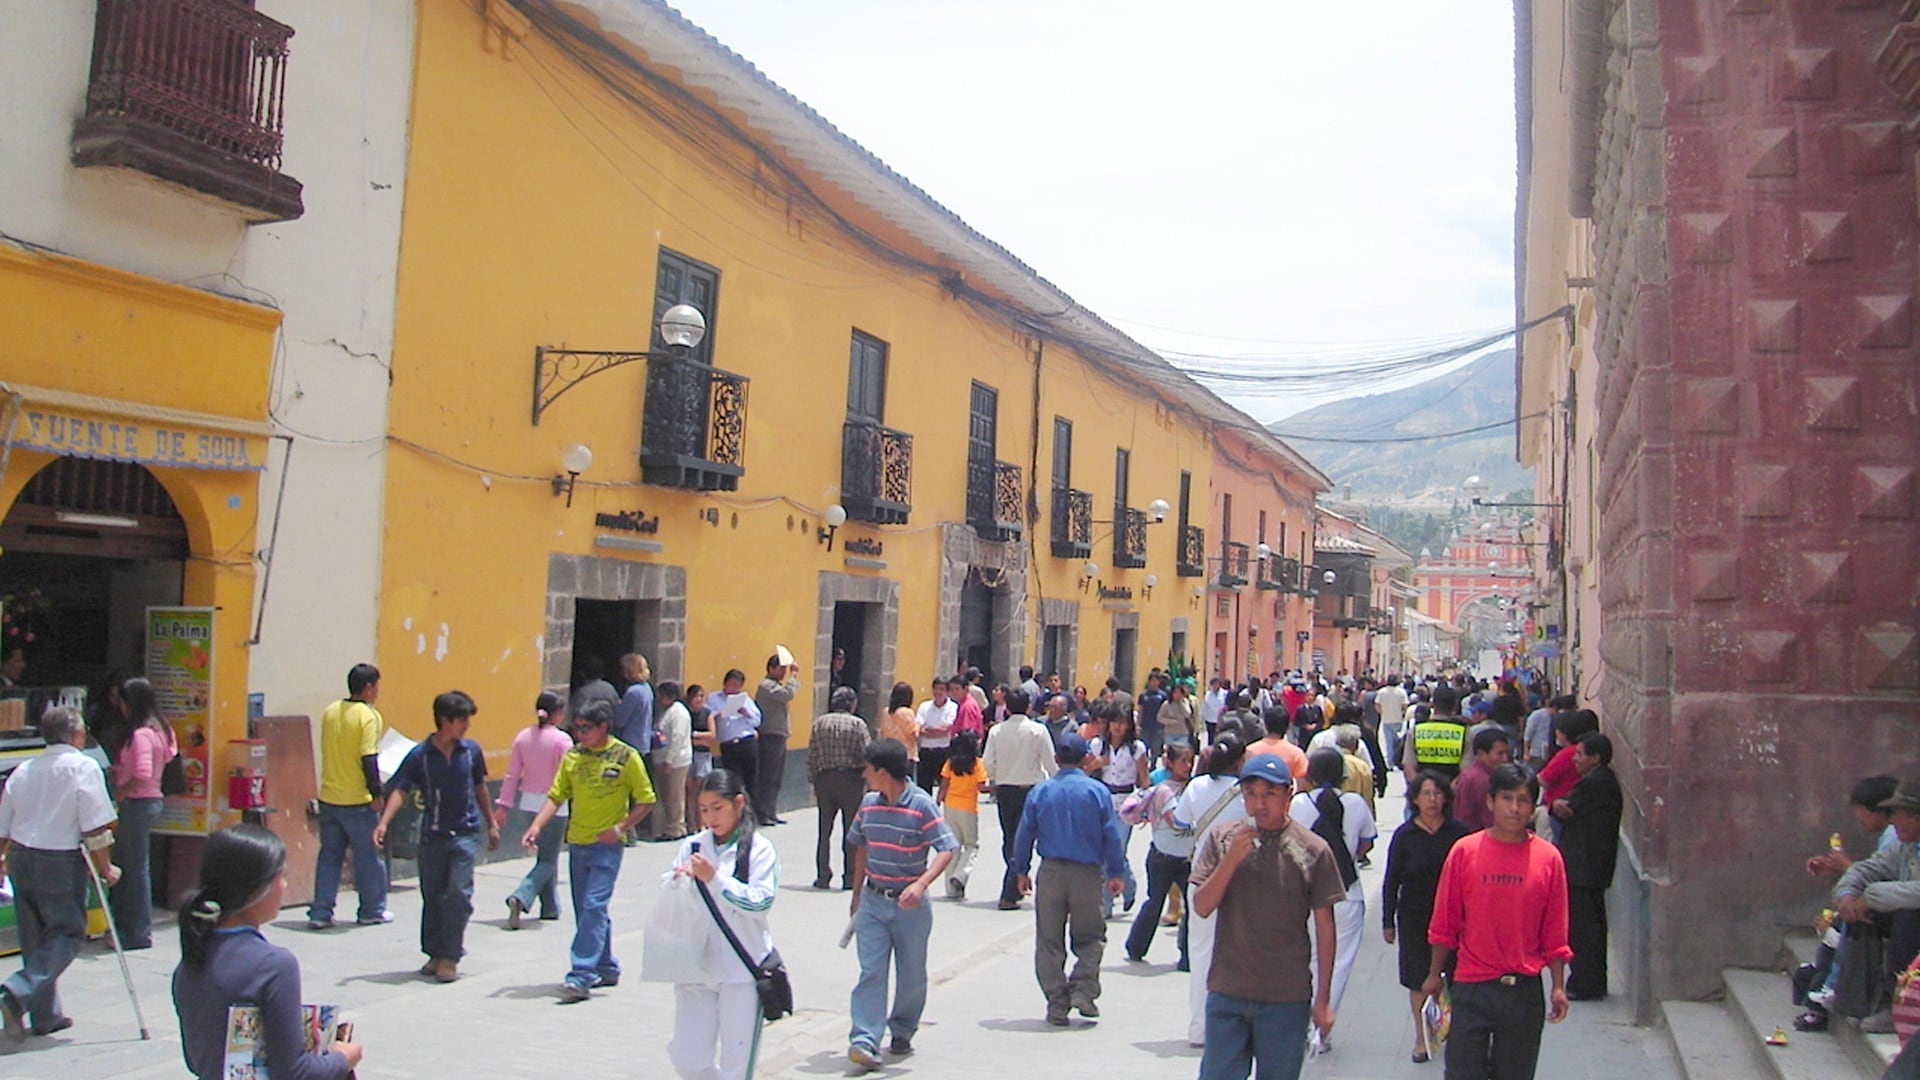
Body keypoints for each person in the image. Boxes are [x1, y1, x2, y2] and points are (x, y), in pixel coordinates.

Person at [1188, 753, 1345, 1080]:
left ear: (1289, 795)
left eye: (1270, 794)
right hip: (1228, 991)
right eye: (1251, 794)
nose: (1260, 804)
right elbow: (1202, 906)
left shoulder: (1312, 849)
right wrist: (1231, 860)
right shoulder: (1222, 839)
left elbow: (1326, 928)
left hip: (1285, 998)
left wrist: (1324, 999)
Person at [173, 825, 361, 1078]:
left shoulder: (192, 959)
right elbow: (295, 1073)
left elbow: (197, 1061)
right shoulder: (273, 965)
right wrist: (342, 1057)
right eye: (280, 876)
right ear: (257, 888)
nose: (284, 884)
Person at [1424, 764, 1573, 1079]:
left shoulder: (1549, 859)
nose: (1515, 808)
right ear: (1490, 801)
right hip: (1471, 986)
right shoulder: (1465, 852)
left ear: (1533, 807)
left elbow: (1555, 930)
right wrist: (1434, 975)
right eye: (1507, 798)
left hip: (1523, 991)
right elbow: (1445, 922)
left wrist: (1558, 986)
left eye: (1523, 800)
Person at [523, 699, 656, 1002]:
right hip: (578, 844)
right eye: (577, 728)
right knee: (587, 910)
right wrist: (536, 826)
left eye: (586, 728)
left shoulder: (626, 756)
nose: (580, 734)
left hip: (607, 846)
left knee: (594, 906)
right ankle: (606, 966)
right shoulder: (573, 757)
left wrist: (621, 828)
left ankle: (581, 975)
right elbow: (556, 796)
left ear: (603, 727)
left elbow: (646, 799)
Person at [0, 707, 120, 1041]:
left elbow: (2, 825)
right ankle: (16, 991)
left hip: (22, 857)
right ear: (76, 735)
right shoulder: (84, 767)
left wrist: (2, 860)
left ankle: (45, 1016)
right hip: (59, 858)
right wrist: (106, 866)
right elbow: (95, 826)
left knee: (35, 936)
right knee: (67, 933)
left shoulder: (24, 770)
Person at [845, 739, 958, 1070]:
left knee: (911, 974)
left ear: (882, 772)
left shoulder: (922, 805)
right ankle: (864, 1038)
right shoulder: (869, 804)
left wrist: (921, 884)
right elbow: (861, 845)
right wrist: (856, 895)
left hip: (911, 907)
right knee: (871, 971)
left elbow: (946, 848)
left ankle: (903, 1028)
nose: (864, 776)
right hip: (874, 900)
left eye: (867, 770)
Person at [374, 690, 498, 982]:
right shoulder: (421, 756)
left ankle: (450, 957)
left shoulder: (471, 751)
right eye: (462, 720)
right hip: (433, 836)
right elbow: (401, 789)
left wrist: (491, 823)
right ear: (445, 720)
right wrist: (383, 823)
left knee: (458, 895)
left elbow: (479, 787)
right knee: (433, 896)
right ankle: (434, 953)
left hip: (465, 834)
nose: (467, 725)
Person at [1008, 732, 1128, 1025]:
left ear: (1057, 759)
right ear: (1086, 757)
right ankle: (1084, 990)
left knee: (1049, 941)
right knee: (1091, 937)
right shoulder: (1097, 791)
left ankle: (1056, 1002)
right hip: (1087, 874)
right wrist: (1116, 871)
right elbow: (1111, 834)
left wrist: (1020, 870)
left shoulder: (1041, 791)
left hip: (1051, 872)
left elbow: (1024, 833)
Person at [667, 769, 779, 1080]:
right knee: (687, 1058)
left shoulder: (759, 849)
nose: (710, 817)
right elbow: (675, 902)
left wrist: (715, 880)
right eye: (703, 809)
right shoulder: (692, 846)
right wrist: (677, 883)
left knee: (736, 1064)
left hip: (740, 971)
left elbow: (760, 903)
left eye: (718, 807)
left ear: (738, 803)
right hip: (696, 967)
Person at [1382, 770, 1471, 1063]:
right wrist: (1387, 919)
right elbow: (1392, 879)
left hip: (1454, 917)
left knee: (1455, 976)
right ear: (1415, 799)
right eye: (1426, 794)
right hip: (1414, 917)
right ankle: (1421, 1039)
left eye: (1437, 794)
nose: (1432, 800)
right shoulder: (1405, 835)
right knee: (1418, 978)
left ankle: (1453, 1032)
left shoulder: (1458, 833)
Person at [1288, 748, 1375, 1037]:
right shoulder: (1356, 803)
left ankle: (1302, 1023)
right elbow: (1366, 844)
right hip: (1346, 892)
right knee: (1339, 965)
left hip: (1306, 894)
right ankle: (1321, 1029)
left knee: (1310, 959)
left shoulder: (1299, 804)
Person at [1175, 726, 1253, 1046]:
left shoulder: (1195, 787)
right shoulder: (1248, 792)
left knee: (1202, 952)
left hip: (1202, 877)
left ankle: (1199, 1029)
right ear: (1239, 761)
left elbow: (1181, 822)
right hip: (1240, 879)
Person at [308, 662, 389, 930]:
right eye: (376, 686)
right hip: (358, 800)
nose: (377, 691)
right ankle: (371, 909)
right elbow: (369, 757)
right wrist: (376, 792)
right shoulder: (368, 716)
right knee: (367, 857)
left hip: (330, 796)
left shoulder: (331, 711)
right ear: (368, 688)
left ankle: (320, 911)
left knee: (330, 856)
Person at [1552, 732, 1622, 1001]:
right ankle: (1590, 980)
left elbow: (1566, 808)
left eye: (1580, 754)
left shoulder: (1594, 783)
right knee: (1589, 925)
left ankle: (1585, 981)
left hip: (1585, 868)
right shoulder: (1600, 780)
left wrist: (1556, 805)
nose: (1576, 759)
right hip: (1593, 867)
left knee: (1584, 928)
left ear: (1595, 757)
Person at [497, 690, 573, 929]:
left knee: (545, 856)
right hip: (553, 805)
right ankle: (522, 895)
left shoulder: (523, 737)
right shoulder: (562, 741)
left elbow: (512, 775)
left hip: (527, 803)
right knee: (548, 860)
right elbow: (567, 776)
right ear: (558, 714)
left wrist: (503, 804)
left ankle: (550, 906)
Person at [111, 676, 175, 949]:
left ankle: (135, 931)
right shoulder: (161, 730)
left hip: (137, 802)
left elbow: (141, 773)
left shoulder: (141, 735)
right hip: (149, 801)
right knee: (136, 866)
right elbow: (169, 755)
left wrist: (119, 792)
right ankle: (133, 928)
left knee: (133, 869)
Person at [983, 687, 1057, 910]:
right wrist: (1055, 781)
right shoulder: (1037, 730)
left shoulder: (996, 731)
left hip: (1005, 790)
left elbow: (987, 762)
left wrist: (997, 776)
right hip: (1030, 790)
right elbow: (1050, 761)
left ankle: (1015, 881)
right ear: (1028, 707)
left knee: (1010, 837)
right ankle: (1013, 885)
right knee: (1023, 838)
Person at [1125, 741, 1196, 966]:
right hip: (1163, 856)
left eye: (1190, 761)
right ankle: (1136, 947)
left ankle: (1187, 955)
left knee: (1192, 906)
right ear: (1170, 763)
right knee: (1155, 901)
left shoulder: (1193, 787)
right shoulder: (1165, 790)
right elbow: (1174, 822)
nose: (1187, 765)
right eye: (1183, 761)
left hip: (1186, 858)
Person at [809, 685, 870, 890]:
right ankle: (850, 877)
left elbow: (812, 755)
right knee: (851, 830)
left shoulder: (819, 723)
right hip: (851, 780)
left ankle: (823, 875)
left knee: (824, 830)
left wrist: (814, 780)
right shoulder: (857, 725)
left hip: (825, 778)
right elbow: (866, 754)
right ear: (851, 704)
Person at [1088, 709, 1149, 915]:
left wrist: (1144, 806)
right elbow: (1084, 771)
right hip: (1104, 801)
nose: (1118, 727)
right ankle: (1124, 888)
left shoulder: (1136, 748)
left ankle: (1109, 901)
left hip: (1127, 803)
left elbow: (1144, 779)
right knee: (1107, 853)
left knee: (1117, 850)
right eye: (1115, 722)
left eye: (1122, 723)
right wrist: (1097, 764)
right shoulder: (1098, 745)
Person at [935, 731, 987, 900]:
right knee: (972, 845)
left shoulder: (950, 763)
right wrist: (997, 788)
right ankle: (960, 874)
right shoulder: (977, 763)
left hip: (950, 806)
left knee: (953, 847)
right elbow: (981, 786)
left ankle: (951, 890)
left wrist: (937, 802)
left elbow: (943, 785)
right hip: (968, 808)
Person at [753, 652, 799, 826]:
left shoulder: (776, 685)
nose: (784, 673)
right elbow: (787, 694)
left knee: (776, 777)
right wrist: (794, 676)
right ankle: (762, 812)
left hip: (780, 735)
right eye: (781, 669)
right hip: (769, 735)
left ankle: (771, 811)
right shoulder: (766, 686)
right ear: (771, 668)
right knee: (767, 776)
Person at [1402, 683, 1468, 783]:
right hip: (1451, 793)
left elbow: (1409, 767)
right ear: (1455, 705)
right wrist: (1448, 790)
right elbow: (1466, 770)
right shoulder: (1464, 732)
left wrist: (1422, 790)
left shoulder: (1416, 731)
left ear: (1432, 704)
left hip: (1422, 793)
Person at [708, 670, 761, 795]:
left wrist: (746, 712)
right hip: (729, 745)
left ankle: (751, 811)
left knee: (751, 781)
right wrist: (718, 714)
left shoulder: (745, 699)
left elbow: (757, 720)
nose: (734, 688)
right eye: (731, 685)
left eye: (737, 686)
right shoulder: (714, 698)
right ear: (725, 683)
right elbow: (708, 715)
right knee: (732, 781)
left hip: (746, 741)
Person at [652, 681, 693, 842]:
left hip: (676, 761)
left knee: (674, 795)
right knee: (667, 795)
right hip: (664, 758)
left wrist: (669, 760)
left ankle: (675, 828)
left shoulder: (679, 713)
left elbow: (677, 738)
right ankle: (671, 826)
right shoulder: (667, 711)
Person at [1452, 727, 1513, 833]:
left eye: (1506, 753)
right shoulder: (1484, 781)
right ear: (1481, 754)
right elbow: (1490, 820)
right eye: (1500, 753)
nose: (1505, 759)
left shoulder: (1468, 774)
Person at [913, 677, 957, 792]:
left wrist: (928, 730)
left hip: (943, 752)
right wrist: (935, 731)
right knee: (923, 788)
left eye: (941, 689)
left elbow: (946, 729)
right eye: (936, 688)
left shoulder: (953, 707)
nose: (938, 692)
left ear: (947, 692)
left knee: (945, 788)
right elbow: (918, 727)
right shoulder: (924, 706)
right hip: (926, 751)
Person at [611, 653, 656, 763]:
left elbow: (620, 721)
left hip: (631, 742)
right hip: (643, 741)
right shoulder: (647, 688)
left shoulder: (633, 692)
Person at [685, 684, 714, 835]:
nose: (699, 699)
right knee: (691, 791)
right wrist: (700, 738)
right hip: (689, 754)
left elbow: (712, 735)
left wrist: (695, 736)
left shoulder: (707, 713)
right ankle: (691, 824)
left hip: (703, 755)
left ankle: (702, 824)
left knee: (702, 790)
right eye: (696, 696)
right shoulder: (686, 713)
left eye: (701, 696)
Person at [879, 681, 920, 773]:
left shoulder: (886, 712)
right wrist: (918, 726)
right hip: (905, 754)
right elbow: (913, 735)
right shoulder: (907, 712)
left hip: (889, 752)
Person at [1376, 678, 1410, 769]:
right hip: (1398, 719)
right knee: (1397, 742)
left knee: (1389, 742)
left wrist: (1382, 712)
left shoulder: (1381, 692)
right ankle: (1397, 761)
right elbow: (1405, 705)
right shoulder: (1401, 692)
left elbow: (1377, 705)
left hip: (1386, 720)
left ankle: (1390, 763)